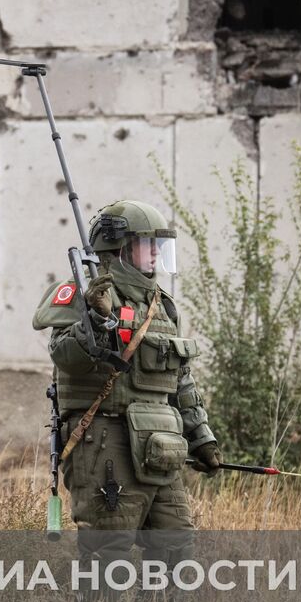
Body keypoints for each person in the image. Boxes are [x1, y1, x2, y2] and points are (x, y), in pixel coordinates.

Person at [32, 199, 220, 566]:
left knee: (176, 550)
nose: (156, 254)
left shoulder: (161, 305)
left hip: (162, 446)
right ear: (119, 247)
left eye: (159, 246)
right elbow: (63, 355)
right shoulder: (88, 294)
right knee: (108, 551)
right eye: (147, 244)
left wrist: (202, 438)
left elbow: (181, 380)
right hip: (106, 440)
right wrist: (96, 324)